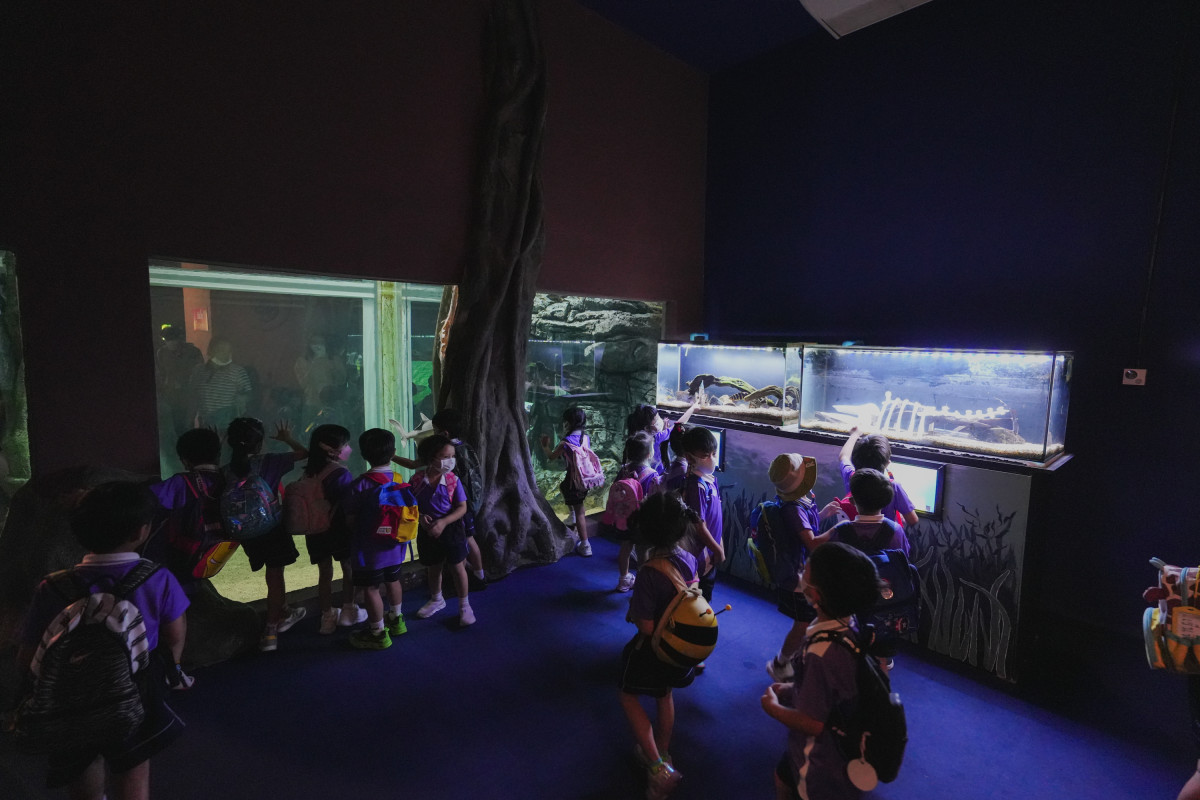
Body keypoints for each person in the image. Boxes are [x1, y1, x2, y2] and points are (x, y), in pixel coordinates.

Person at [16, 482, 190, 800]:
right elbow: (175, 634)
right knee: (133, 767)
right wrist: (174, 668)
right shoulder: (157, 578)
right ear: (141, 531)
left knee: (80, 765)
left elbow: (29, 652)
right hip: (135, 690)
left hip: (69, 694)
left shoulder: (52, 587)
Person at [760, 542, 882, 800]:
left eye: (805, 570)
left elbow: (812, 723)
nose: (801, 573)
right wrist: (792, 688)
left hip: (818, 760)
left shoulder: (821, 652)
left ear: (816, 595)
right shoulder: (848, 624)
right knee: (782, 777)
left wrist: (773, 708)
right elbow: (833, 686)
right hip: (840, 732)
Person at [617, 492, 701, 799]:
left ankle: (656, 767)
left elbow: (647, 627)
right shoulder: (690, 559)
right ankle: (663, 752)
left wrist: (635, 612)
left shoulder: (650, 572)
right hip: (679, 649)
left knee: (627, 695)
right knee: (664, 695)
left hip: (652, 650)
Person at [224, 417, 308, 652]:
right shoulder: (271, 461)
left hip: (246, 532)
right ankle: (271, 632)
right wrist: (287, 438)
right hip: (271, 528)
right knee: (275, 577)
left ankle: (283, 610)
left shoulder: (227, 469)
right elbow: (304, 453)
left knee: (271, 576)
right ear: (260, 443)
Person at [393, 408, 489, 592]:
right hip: (471, 501)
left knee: (463, 543)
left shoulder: (442, 452)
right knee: (469, 539)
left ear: (443, 433)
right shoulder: (466, 447)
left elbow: (413, 464)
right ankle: (480, 575)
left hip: (455, 506)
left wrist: (392, 457)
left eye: (435, 431)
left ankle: (464, 580)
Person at [764, 453, 840, 682]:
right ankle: (780, 663)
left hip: (802, 573)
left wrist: (823, 514)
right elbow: (811, 542)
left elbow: (803, 529)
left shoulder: (795, 501)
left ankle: (796, 659)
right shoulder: (793, 508)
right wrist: (840, 529)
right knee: (802, 623)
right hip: (797, 578)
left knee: (808, 620)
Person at [345, 428, 412, 649]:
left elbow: (351, 519)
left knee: (371, 588)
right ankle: (397, 620)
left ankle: (378, 633)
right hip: (395, 547)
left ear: (363, 455)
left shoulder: (359, 485)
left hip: (369, 550)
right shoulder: (399, 478)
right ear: (393, 453)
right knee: (393, 581)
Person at [298, 424, 368, 635]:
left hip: (315, 531)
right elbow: (348, 504)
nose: (347, 448)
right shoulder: (339, 473)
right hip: (338, 529)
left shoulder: (308, 472)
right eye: (344, 444)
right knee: (348, 568)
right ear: (331, 450)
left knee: (324, 573)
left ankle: (327, 617)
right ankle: (348, 610)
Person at [147, 427, 226, 591]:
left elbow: (149, 498)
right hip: (214, 549)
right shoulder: (227, 478)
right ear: (218, 456)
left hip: (182, 554)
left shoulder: (181, 483)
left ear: (185, 460)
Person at [411, 434, 475, 626]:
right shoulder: (416, 480)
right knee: (433, 566)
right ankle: (437, 599)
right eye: (445, 457)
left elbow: (462, 508)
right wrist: (421, 517)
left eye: (452, 456)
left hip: (451, 527)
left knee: (457, 566)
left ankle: (465, 606)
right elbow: (411, 506)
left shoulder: (453, 480)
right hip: (427, 529)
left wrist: (444, 522)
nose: (450, 461)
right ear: (430, 457)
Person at [678, 426, 727, 604]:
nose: (712, 459)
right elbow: (699, 524)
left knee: (706, 594)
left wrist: (719, 544)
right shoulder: (696, 486)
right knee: (698, 599)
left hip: (712, 550)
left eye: (714, 454)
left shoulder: (711, 480)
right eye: (706, 456)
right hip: (701, 555)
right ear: (690, 457)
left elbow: (715, 519)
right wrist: (716, 549)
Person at [837, 427, 919, 529]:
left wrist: (854, 435)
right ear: (887, 463)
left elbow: (843, 456)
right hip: (886, 537)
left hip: (855, 535)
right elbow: (912, 520)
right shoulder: (893, 486)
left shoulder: (852, 477)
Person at [542, 406, 596, 557]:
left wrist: (545, 446)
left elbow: (552, 457)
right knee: (563, 487)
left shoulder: (565, 442)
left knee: (580, 513)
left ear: (568, 423)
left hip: (574, 481)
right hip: (585, 480)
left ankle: (585, 545)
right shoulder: (585, 438)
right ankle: (572, 515)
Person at [612, 431, 662, 592]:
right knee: (642, 551)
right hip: (642, 521)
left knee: (625, 548)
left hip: (625, 518)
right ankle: (642, 583)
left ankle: (623, 579)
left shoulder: (624, 470)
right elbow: (655, 499)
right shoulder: (652, 475)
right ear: (649, 454)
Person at [827, 468, 912, 558]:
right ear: (886, 501)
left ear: (852, 501)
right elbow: (903, 559)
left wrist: (821, 515)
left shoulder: (841, 530)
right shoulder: (895, 531)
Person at [189, 337, 252, 433]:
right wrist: (190, 420)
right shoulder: (199, 371)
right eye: (221, 350)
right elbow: (193, 397)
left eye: (228, 351)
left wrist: (242, 400)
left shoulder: (238, 371)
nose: (225, 354)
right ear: (211, 351)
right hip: (206, 424)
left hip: (228, 425)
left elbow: (248, 395)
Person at [294, 335, 346, 431]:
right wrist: (316, 361)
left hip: (332, 404)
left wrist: (328, 362)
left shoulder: (334, 359)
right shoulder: (302, 361)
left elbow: (341, 380)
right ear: (309, 345)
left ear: (326, 344)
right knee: (309, 434)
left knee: (336, 433)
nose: (317, 346)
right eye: (314, 342)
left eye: (321, 342)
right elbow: (303, 384)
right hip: (311, 404)